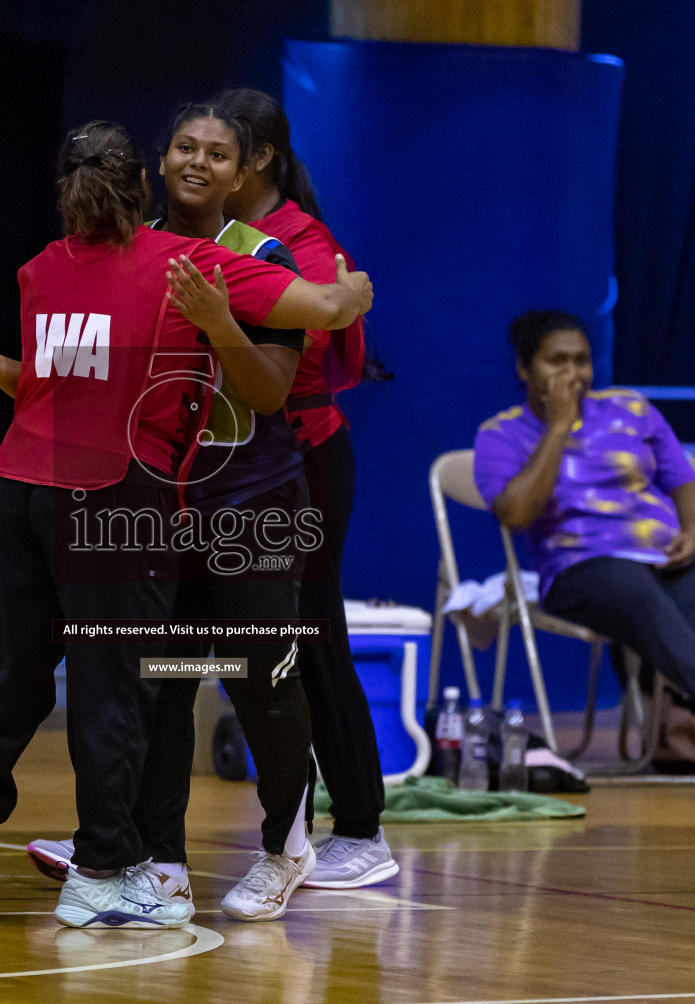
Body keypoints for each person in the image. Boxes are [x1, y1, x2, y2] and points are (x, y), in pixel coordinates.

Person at [0, 121, 372, 929]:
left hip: (196, 502)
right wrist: (351, 296)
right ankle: (125, 863)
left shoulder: (80, 270)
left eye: (217, 152)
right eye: (184, 147)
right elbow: (325, 306)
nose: (198, 161)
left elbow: (257, 394)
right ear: (149, 175)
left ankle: (278, 844)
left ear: (243, 173)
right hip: (138, 503)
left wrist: (1, 371)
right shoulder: (168, 261)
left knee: (247, 681)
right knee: (138, 683)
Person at [474, 310, 695, 800]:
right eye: (557, 360)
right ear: (524, 368)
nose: (573, 373)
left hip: (665, 555)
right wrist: (558, 429)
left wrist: (691, 531)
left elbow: (685, 481)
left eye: (581, 360)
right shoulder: (500, 434)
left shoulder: (632, 409)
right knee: (638, 593)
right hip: (580, 570)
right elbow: (515, 513)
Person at [212, 87, 395, 889]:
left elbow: (307, 347)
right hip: (230, 469)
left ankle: (361, 828)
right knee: (243, 651)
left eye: (220, 150)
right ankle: (279, 830)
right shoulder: (212, 237)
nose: (200, 162)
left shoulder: (300, 241)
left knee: (311, 635)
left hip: (303, 461)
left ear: (258, 160)